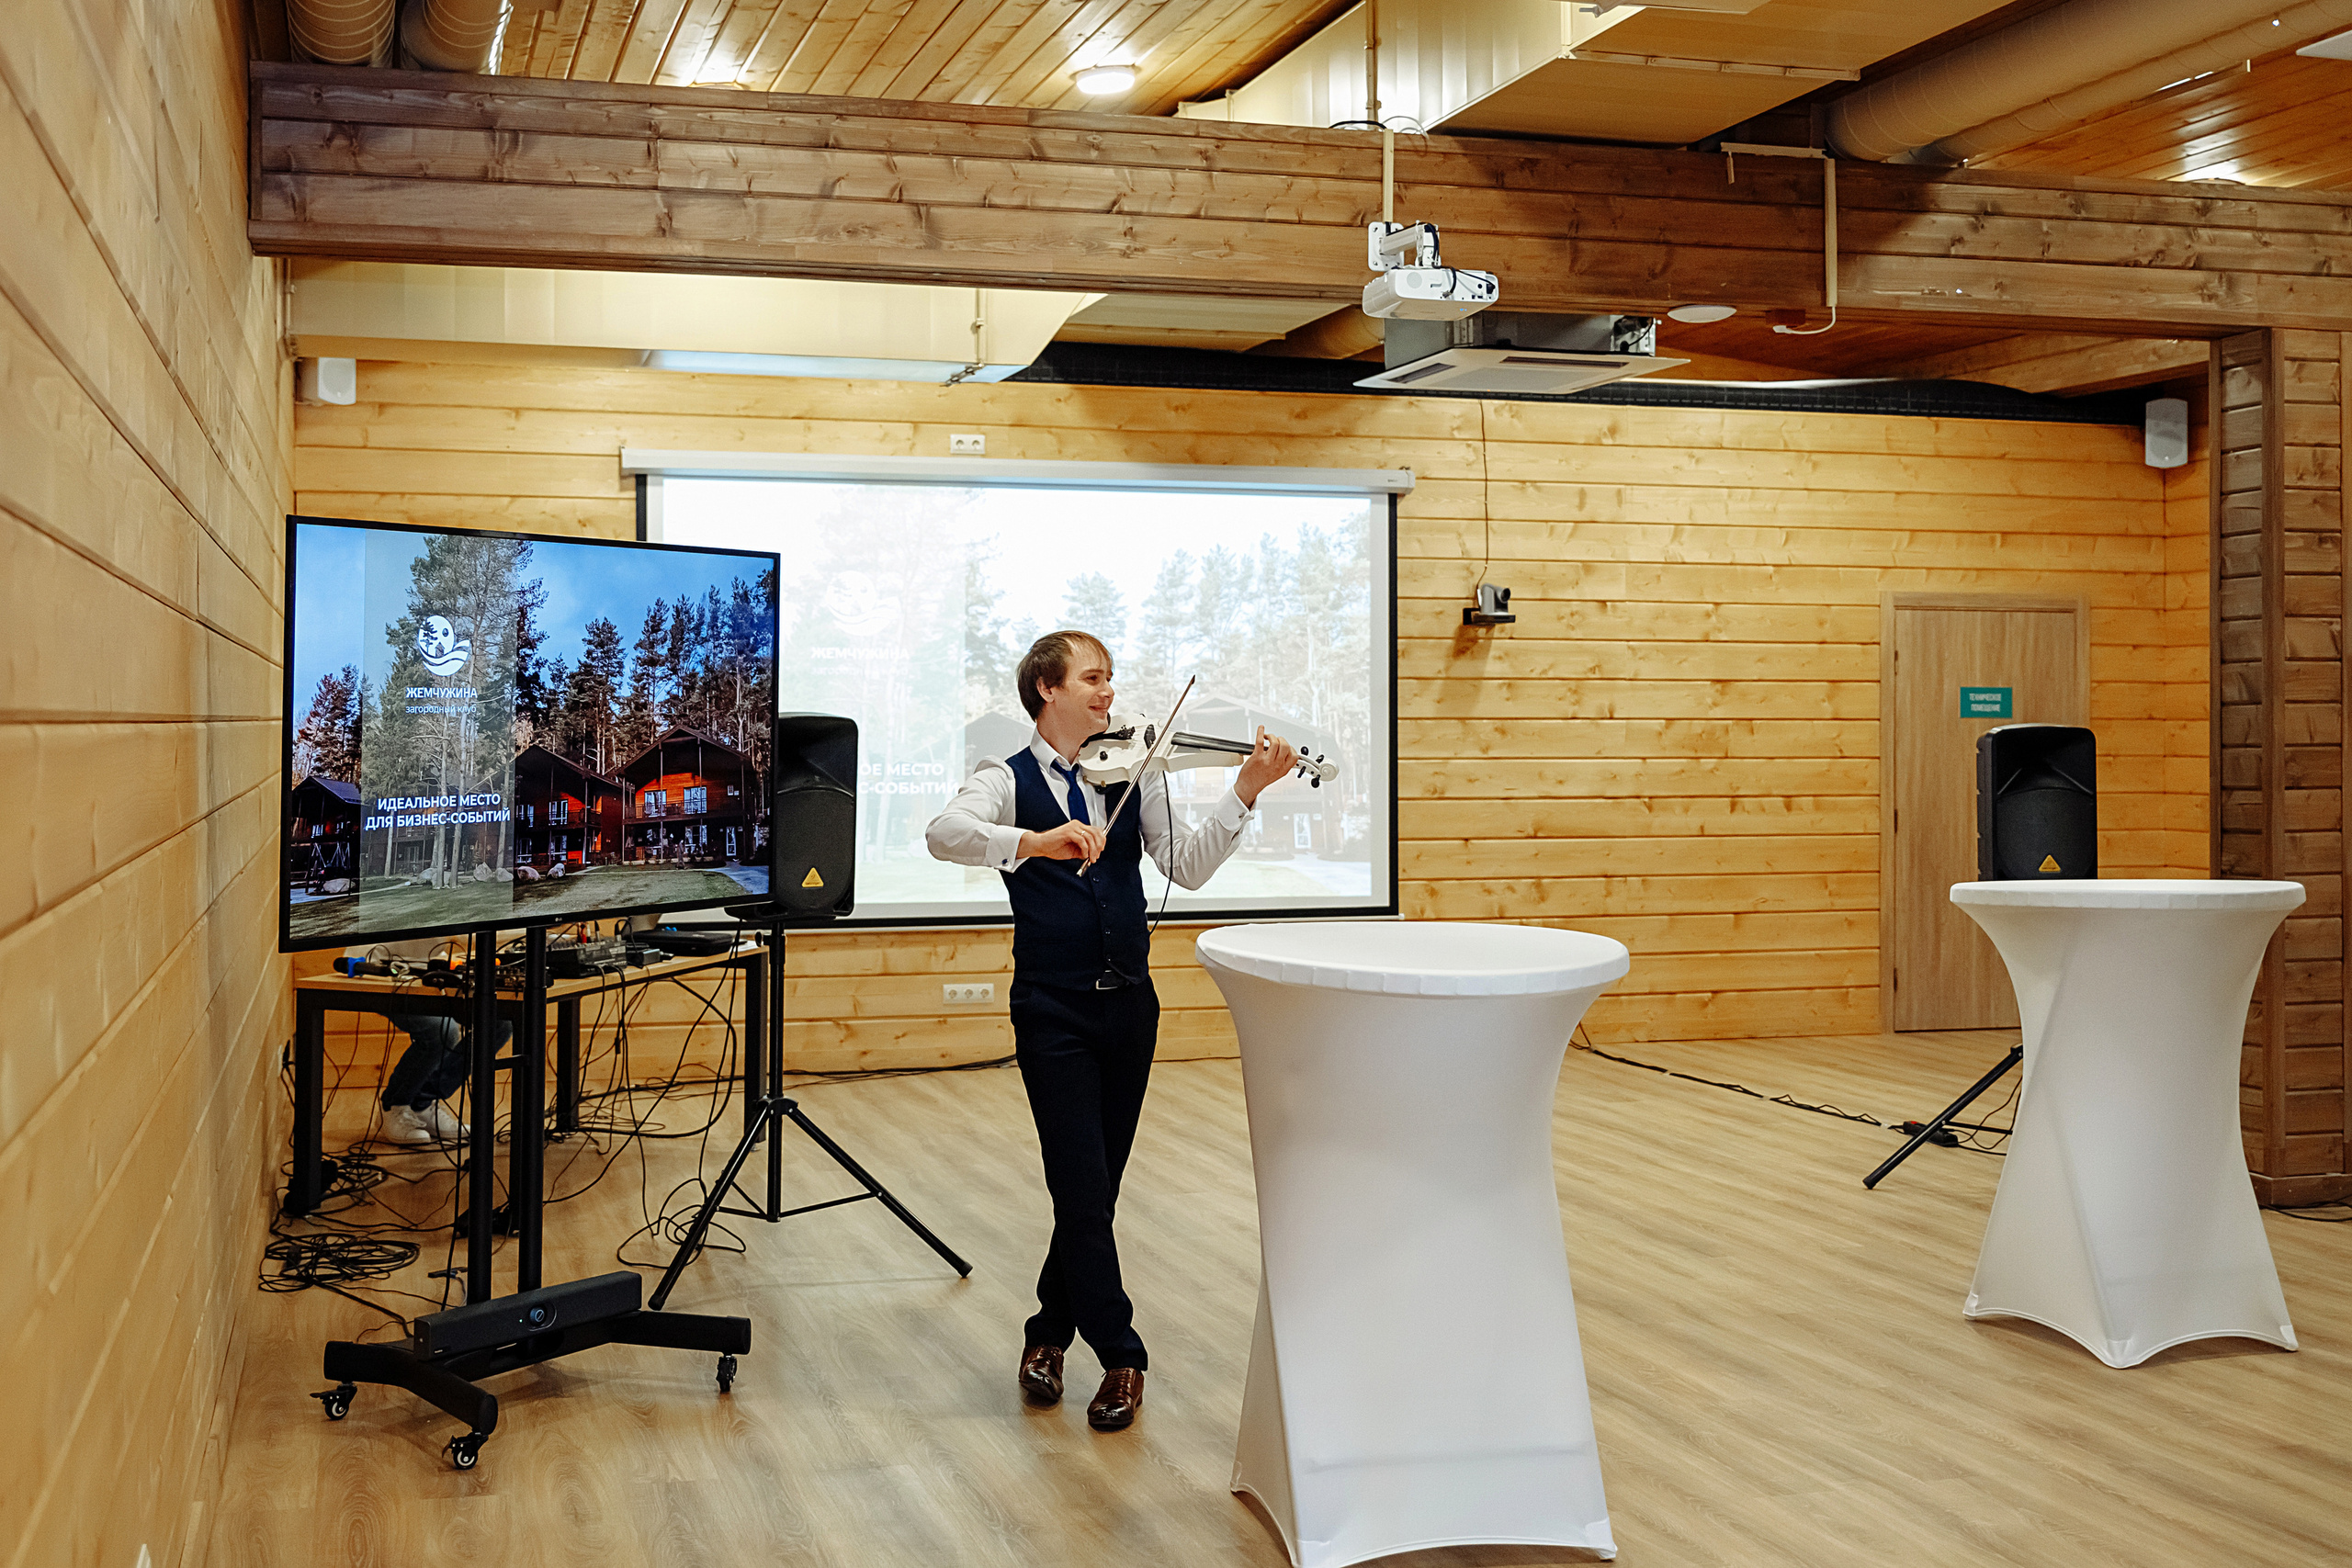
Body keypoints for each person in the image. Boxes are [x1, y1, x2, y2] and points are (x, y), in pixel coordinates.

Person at [925, 630, 1300, 1431]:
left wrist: (1245, 791)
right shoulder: (1006, 777)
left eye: (1110, 678)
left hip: (1130, 1008)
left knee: (1095, 1192)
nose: (1109, 693)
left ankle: (1044, 1335)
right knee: (1082, 1188)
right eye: (1094, 679)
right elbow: (943, 834)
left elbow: (1187, 867)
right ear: (1046, 691)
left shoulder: (1135, 771)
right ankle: (1122, 1353)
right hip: (1051, 1012)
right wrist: (1033, 841)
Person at [342, 939, 512, 1145]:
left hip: (425, 972)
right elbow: (469, 936)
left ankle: (421, 1102)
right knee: (440, 1030)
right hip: (375, 971)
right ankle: (394, 1105)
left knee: (499, 1023)